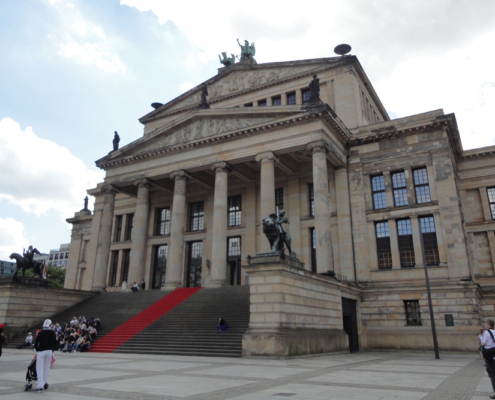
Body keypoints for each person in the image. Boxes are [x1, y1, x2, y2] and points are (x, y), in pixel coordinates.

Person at [34, 319, 57, 393]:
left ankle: (39, 386)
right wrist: (52, 350)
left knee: (39, 368)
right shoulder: (53, 333)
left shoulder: (41, 333)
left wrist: (38, 349)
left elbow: (36, 343)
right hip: (49, 351)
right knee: (46, 368)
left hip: (41, 351)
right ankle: (44, 382)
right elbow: (55, 343)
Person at [481, 319, 495, 399]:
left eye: (486, 323)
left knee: (492, 374)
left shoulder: (487, 332)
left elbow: (483, 343)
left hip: (489, 355)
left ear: (488, 325)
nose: (485, 325)